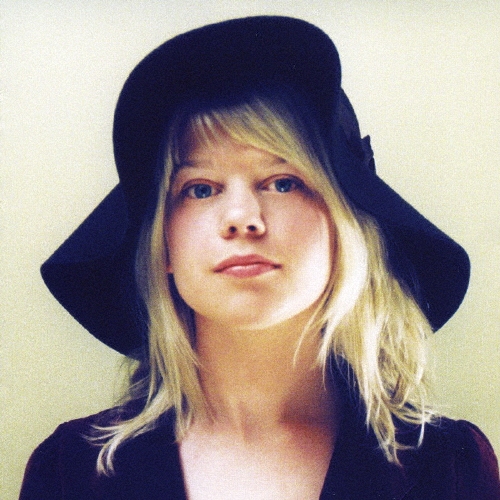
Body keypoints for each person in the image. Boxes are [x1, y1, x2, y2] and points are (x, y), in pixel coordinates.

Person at [20, 16, 499, 499]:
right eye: (200, 189)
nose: (241, 218)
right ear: (162, 244)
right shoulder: (70, 471)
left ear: (345, 225)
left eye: (282, 183)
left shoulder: (448, 466)